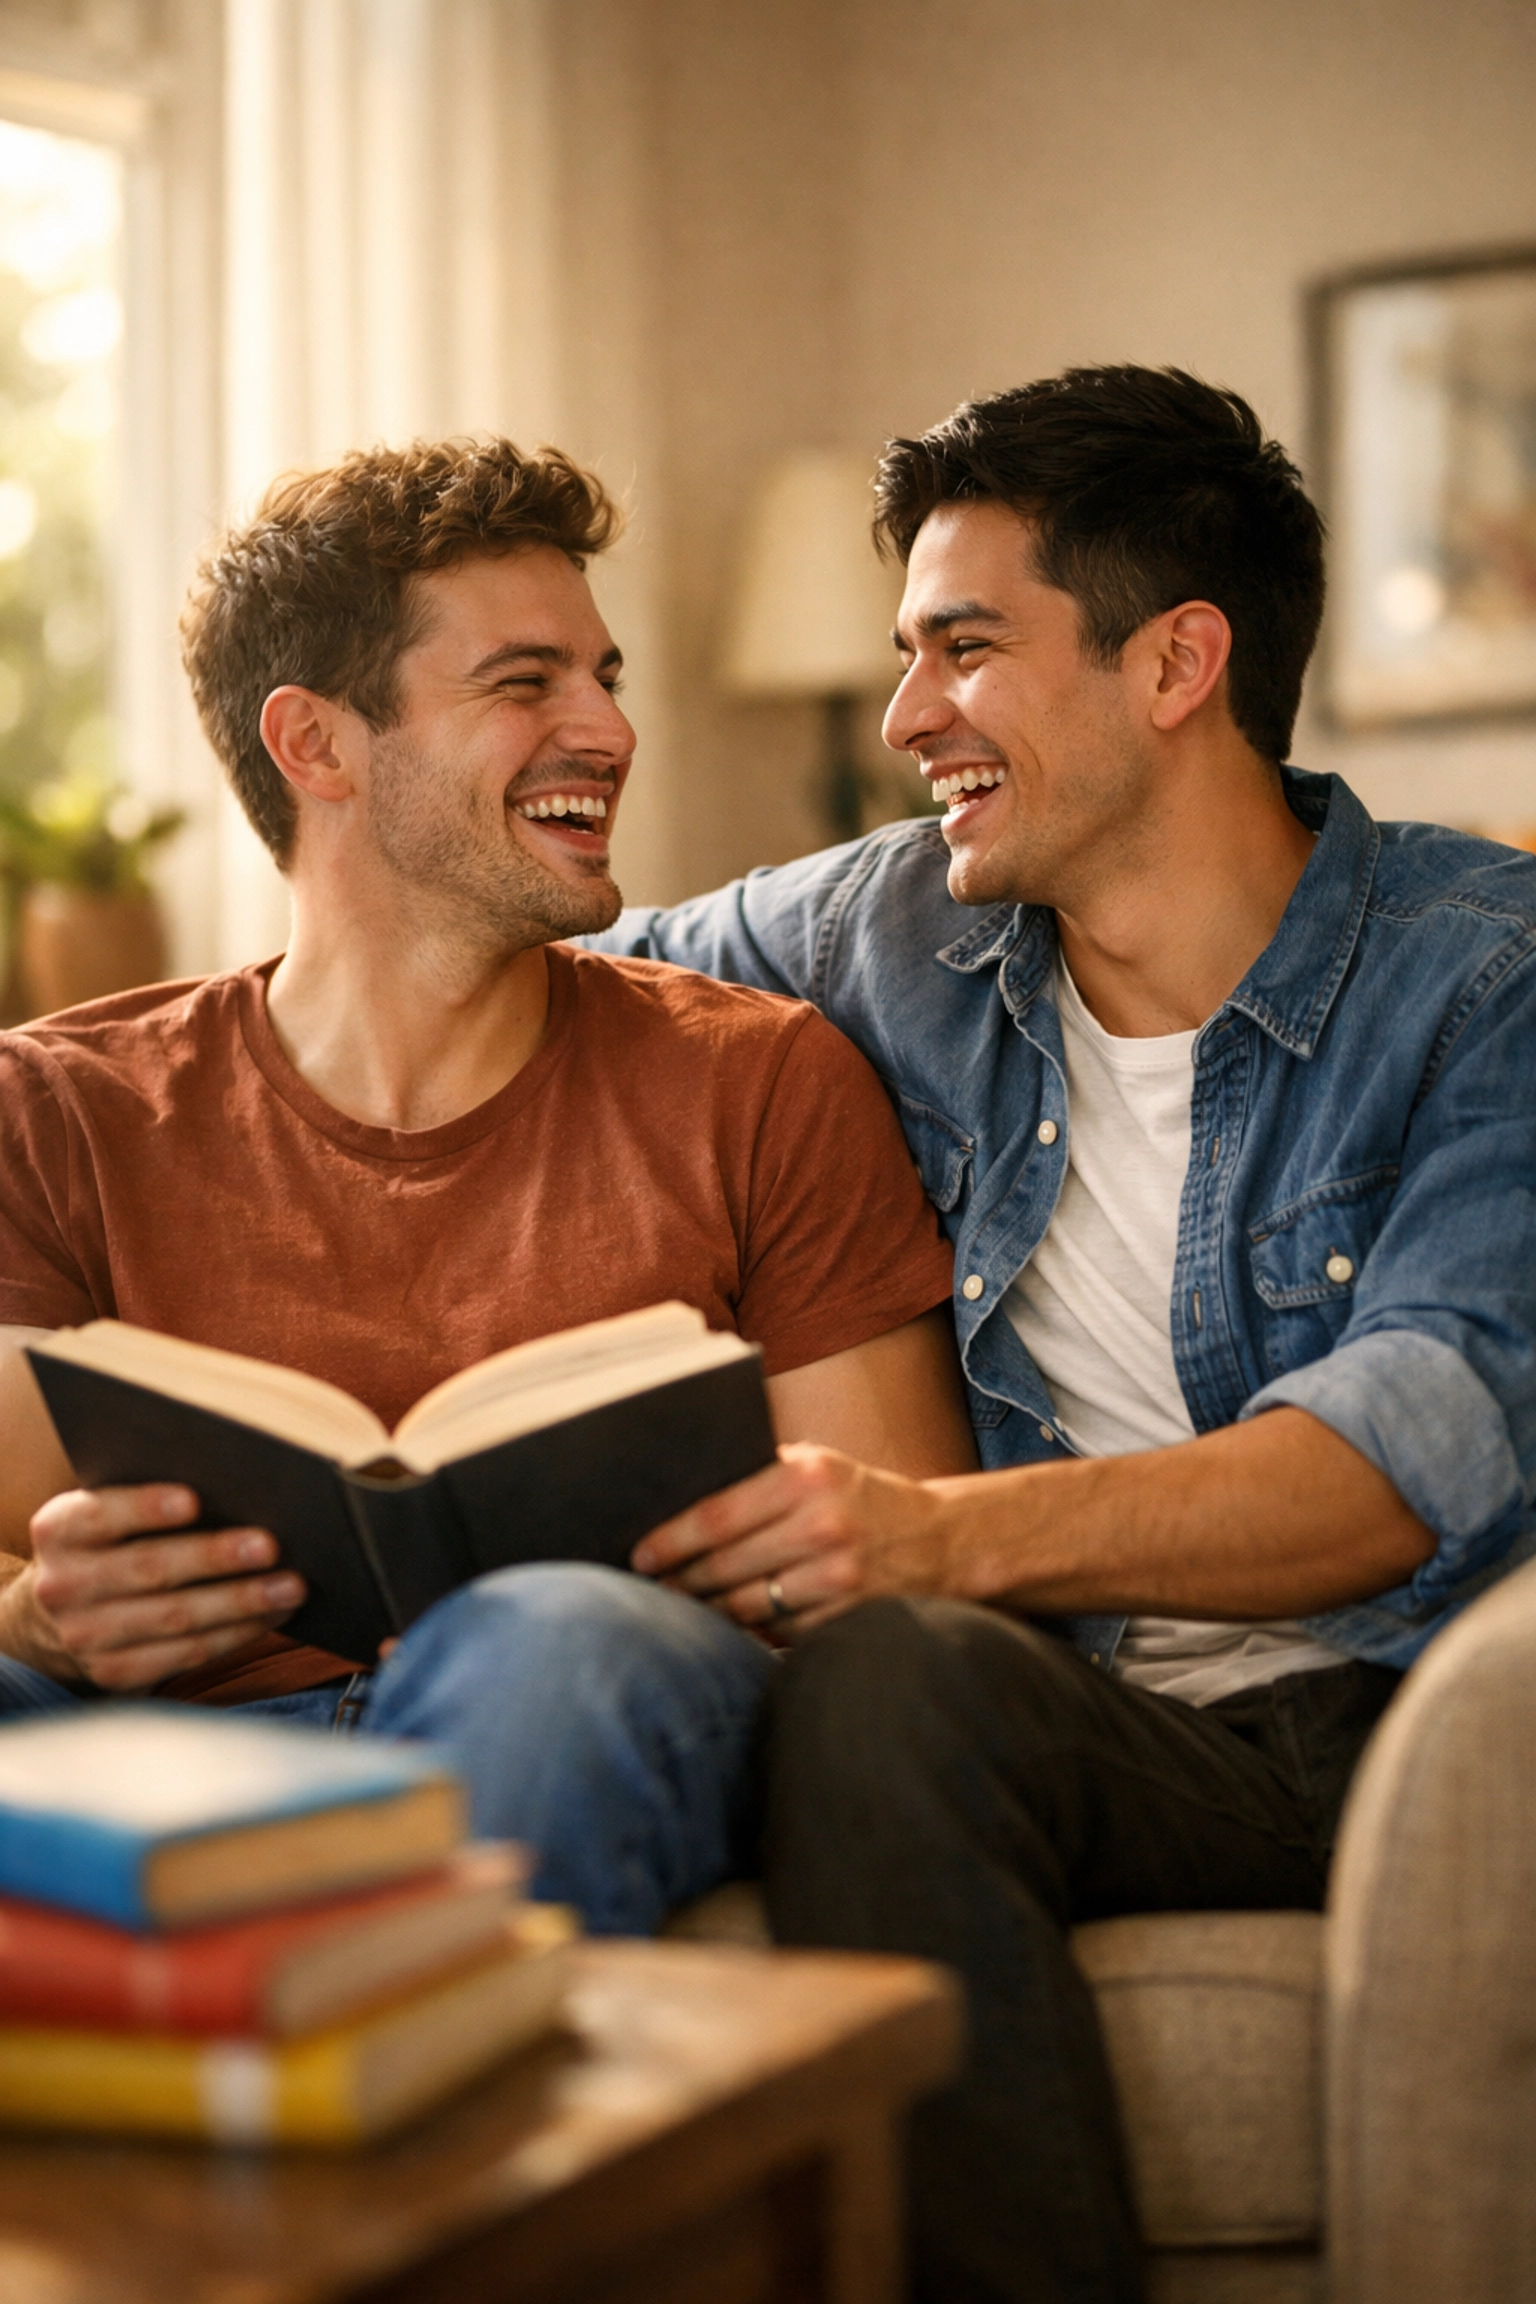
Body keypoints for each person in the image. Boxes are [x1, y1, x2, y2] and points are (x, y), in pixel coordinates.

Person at [589, 366, 1536, 2301]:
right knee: (850, 1682)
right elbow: (544, 980)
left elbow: (1398, 1462)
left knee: (897, 1664)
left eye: (964, 648)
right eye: (905, 655)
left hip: (1378, 1722)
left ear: (1177, 663)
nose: (905, 717)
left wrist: (932, 1537)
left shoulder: (1485, 983)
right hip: (1064, 1713)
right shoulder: (891, 929)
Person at [0, 436, 977, 1936]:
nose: (611, 730)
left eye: (605, 676)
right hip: (180, 1754)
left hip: (573, 1702)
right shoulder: (57, 1108)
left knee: (553, 1638)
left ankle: (409, 2044)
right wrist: (42, 1617)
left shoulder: (760, 1079)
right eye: (526, 683)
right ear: (315, 745)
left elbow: (898, 1577)